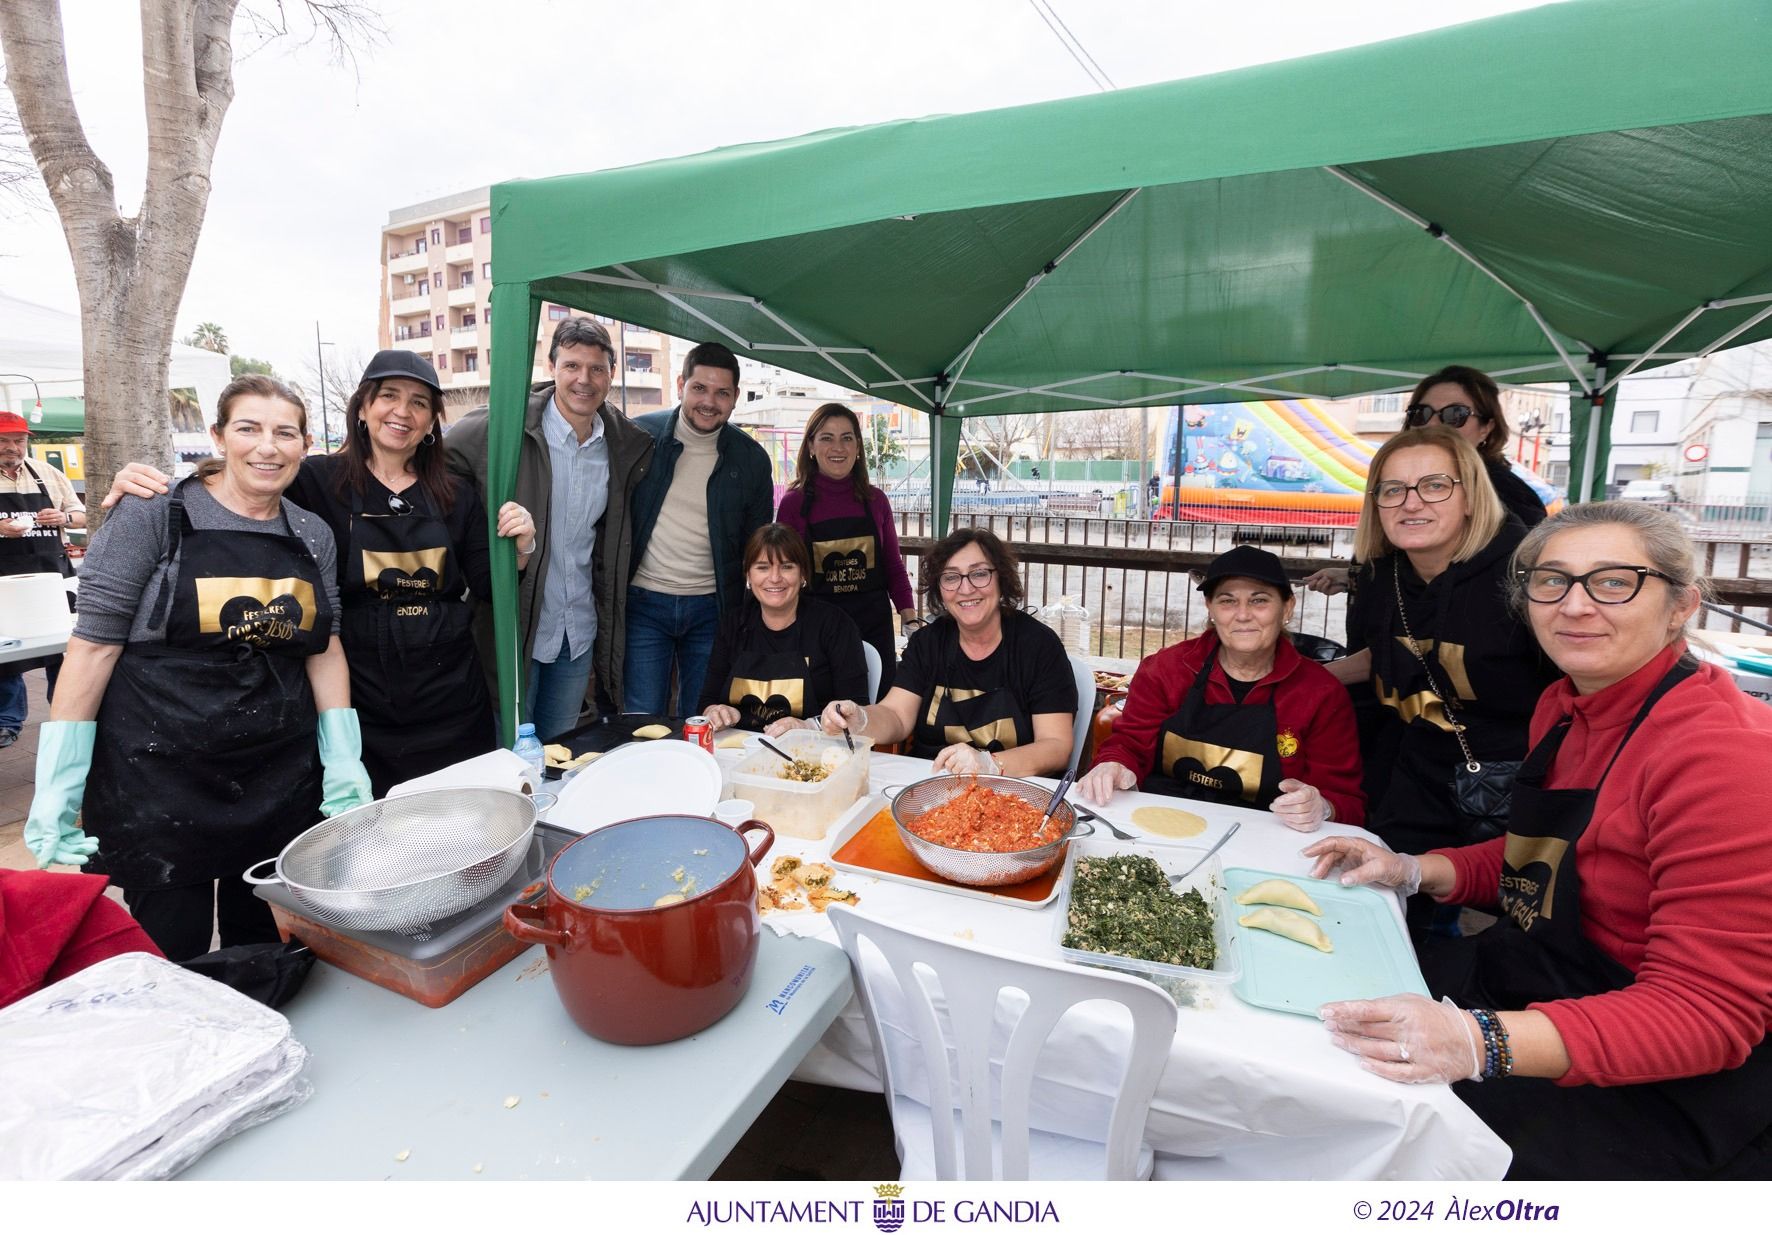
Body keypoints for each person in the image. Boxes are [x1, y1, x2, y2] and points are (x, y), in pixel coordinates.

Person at [1306, 502, 1772, 1179]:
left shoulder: (1725, 754)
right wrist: (1413, 868)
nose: (1575, 605)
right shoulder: (1562, 704)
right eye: (1551, 580)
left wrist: (1477, 1040)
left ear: (1681, 606)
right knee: (1320, 1013)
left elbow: (1705, 1014)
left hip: (1654, 1078)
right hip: (1528, 976)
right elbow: (1550, 855)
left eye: (1614, 581)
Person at [22, 376, 372, 961]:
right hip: (158, 775)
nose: (268, 447)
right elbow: (93, 647)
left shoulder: (311, 533)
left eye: (285, 433)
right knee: (172, 947)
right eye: (249, 429)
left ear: (305, 445)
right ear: (217, 436)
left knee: (265, 940)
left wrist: (343, 762)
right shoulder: (153, 514)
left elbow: (324, 646)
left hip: (273, 771)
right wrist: (58, 787)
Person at [103, 352, 537, 795]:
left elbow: (489, 584)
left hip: (449, 694)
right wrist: (156, 488)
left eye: (420, 403)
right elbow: (243, 486)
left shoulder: (456, 493)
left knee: (459, 817)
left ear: (431, 423)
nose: (403, 412)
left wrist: (520, 548)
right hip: (357, 694)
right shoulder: (313, 479)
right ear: (363, 408)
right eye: (389, 396)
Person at [1327, 426, 1556, 867]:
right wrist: (1304, 679)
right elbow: (1392, 651)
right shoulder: (1382, 575)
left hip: (1513, 785)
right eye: (1393, 489)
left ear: (1470, 496)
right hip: (1414, 773)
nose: (1412, 502)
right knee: (1391, 900)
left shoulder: (1526, 575)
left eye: (1434, 485)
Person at [448, 317, 654, 739]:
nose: (584, 379)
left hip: (576, 630)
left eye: (597, 369)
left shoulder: (620, 446)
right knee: (512, 755)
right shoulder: (503, 429)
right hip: (517, 627)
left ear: (611, 374)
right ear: (552, 367)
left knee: (561, 753)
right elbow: (439, 459)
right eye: (572, 366)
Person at [1077, 546, 1364, 829]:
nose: (1242, 615)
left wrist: (1322, 806)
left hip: (1268, 842)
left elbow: (1347, 802)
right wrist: (1113, 765)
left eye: (1259, 600)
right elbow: (1129, 745)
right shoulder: (1165, 670)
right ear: (1210, 608)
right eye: (1227, 601)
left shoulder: (1321, 694)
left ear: (1287, 607)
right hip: (1159, 826)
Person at [820, 528, 1076, 777]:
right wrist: (860, 720)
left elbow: (1056, 746)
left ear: (1001, 579)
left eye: (979, 573)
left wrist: (989, 764)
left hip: (1012, 791)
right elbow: (896, 716)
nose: (965, 589)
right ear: (939, 589)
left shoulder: (1038, 646)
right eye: (951, 577)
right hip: (929, 785)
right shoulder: (928, 643)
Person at [1301, 366, 1546, 600]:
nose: (1433, 424)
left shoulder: (1508, 493)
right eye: (1421, 413)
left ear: (1486, 428)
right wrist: (1354, 577)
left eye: (1455, 415)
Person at [624, 342, 773, 717]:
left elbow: (758, 546)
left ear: (736, 397)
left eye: (722, 392)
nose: (710, 401)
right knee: (641, 716)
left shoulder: (751, 459)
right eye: (699, 388)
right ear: (680, 385)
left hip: (713, 606)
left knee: (703, 716)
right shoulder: (640, 438)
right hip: (644, 602)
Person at [775, 403, 915, 699]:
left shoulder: (876, 501)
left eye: (847, 437)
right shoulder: (793, 504)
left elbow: (893, 566)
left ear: (858, 447)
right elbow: (783, 575)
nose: (837, 447)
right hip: (817, 632)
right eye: (826, 437)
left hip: (873, 627)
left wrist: (910, 618)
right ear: (811, 446)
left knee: (877, 714)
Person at [696, 524, 869, 737]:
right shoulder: (733, 624)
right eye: (762, 567)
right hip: (739, 751)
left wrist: (809, 726)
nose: (775, 578)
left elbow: (857, 711)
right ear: (748, 575)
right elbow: (706, 702)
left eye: (787, 566)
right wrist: (716, 712)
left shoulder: (834, 625)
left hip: (817, 752)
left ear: (803, 573)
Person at [0, 410, 85, 748]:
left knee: (63, 648)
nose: (12, 448)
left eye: (18, 441)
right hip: (4, 581)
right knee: (7, 650)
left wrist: (63, 515)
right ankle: (8, 720)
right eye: (4, 441)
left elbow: (80, 514)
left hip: (52, 577)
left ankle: (64, 717)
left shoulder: (47, 473)